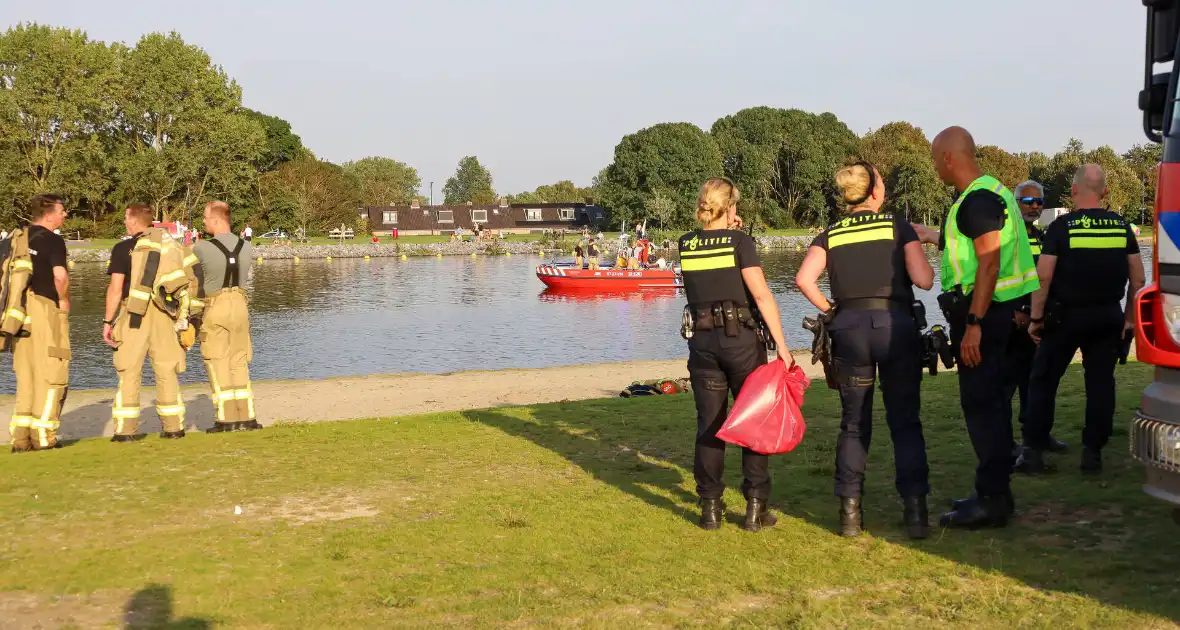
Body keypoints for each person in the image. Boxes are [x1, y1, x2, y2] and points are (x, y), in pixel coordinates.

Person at [795, 162, 934, 539]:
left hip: (849, 330)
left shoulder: (831, 233)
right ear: (873, 191)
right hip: (895, 327)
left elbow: (803, 279)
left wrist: (831, 309)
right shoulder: (896, 226)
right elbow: (924, 279)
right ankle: (916, 513)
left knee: (854, 425)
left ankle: (850, 515)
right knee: (905, 422)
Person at [913, 127, 1039, 529]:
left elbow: (988, 263)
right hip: (999, 314)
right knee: (994, 404)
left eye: (935, 158)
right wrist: (935, 237)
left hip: (984, 317)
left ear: (949, 157)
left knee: (982, 406)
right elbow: (972, 251)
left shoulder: (976, 200)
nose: (934, 166)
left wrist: (973, 325)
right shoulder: (989, 194)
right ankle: (996, 491)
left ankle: (991, 500)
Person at [680, 178, 793, 532]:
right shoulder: (740, 242)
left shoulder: (686, 244)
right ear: (729, 207)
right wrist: (783, 348)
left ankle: (710, 507)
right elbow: (760, 295)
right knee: (753, 424)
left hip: (702, 344)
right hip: (741, 342)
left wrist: (728, 229)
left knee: (709, 427)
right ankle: (755, 508)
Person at [1020, 165, 1146, 474]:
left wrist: (1036, 318)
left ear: (1074, 191)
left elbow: (1044, 277)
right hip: (1107, 316)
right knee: (1101, 385)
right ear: (1104, 192)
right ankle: (1093, 454)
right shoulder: (1121, 228)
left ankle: (1033, 452)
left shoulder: (1062, 227)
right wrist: (1129, 319)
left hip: (1064, 318)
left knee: (1044, 382)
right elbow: (1139, 280)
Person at [102, 203, 197, 441]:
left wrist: (107, 321)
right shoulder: (171, 247)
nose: (124, 222)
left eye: (126, 218)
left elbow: (115, 289)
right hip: (165, 315)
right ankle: (173, 427)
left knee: (129, 372)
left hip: (134, 314)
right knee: (166, 371)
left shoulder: (123, 248)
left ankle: (126, 431)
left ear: (133, 221)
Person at [1007, 181, 1069, 464]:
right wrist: (1013, 311)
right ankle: (1005, 442)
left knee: (1037, 383)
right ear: (1015, 201)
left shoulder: (1042, 236)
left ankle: (1038, 436)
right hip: (1012, 322)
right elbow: (996, 276)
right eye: (1028, 200)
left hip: (1037, 321)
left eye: (1039, 202)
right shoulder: (1008, 237)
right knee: (1006, 384)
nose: (1034, 206)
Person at [6, 194, 70, 452]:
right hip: (44, 310)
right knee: (53, 373)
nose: (65, 215)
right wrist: (64, 304)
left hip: (17, 314)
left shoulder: (15, 239)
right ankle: (44, 438)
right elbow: (60, 277)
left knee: (26, 377)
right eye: (62, 211)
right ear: (49, 214)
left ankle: (20, 439)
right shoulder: (52, 240)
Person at [192, 201, 260, 432]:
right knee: (239, 361)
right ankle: (247, 416)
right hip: (240, 304)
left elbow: (191, 279)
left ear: (217, 219)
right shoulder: (246, 246)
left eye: (206, 218)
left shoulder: (202, 248)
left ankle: (226, 418)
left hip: (216, 305)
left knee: (217, 360)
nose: (203, 221)